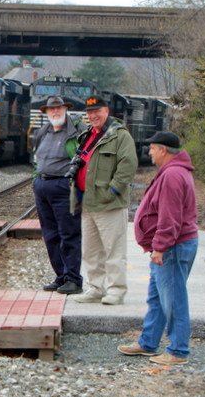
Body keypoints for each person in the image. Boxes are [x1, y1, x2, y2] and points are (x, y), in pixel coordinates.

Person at [118, 131, 198, 365]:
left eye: (152, 148)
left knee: (173, 300)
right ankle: (148, 343)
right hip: (171, 246)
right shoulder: (173, 171)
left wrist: (160, 247)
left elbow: (170, 217)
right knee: (157, 298)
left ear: (163, 150)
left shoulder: (173, 174)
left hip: (173, 247)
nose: (150, 152)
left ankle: (178, 351)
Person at [71, 96, 138, 305]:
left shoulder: (119, 136)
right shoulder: (86, 135)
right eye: (90, 113)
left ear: (106, 111)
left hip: (109, 204)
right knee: (91, 252)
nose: (93, 116)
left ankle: (116, 290)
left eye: (97, 112)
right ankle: (95, 288)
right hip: (87, 203)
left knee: (114, 250)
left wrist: (112, 191)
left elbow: (128, 166)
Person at [31, 96, 87, 294]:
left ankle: (74, 279)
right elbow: (36, 158)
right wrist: (35, 181)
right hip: (43, 185)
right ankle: (61, 276)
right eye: (52, 109)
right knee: (50, 235)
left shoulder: (77, 131)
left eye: (59, 109)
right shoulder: (43, 132)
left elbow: (85, 158)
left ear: (65, 110)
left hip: (65, 186)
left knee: (69, 233)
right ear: (46, 112)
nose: (56, 112)